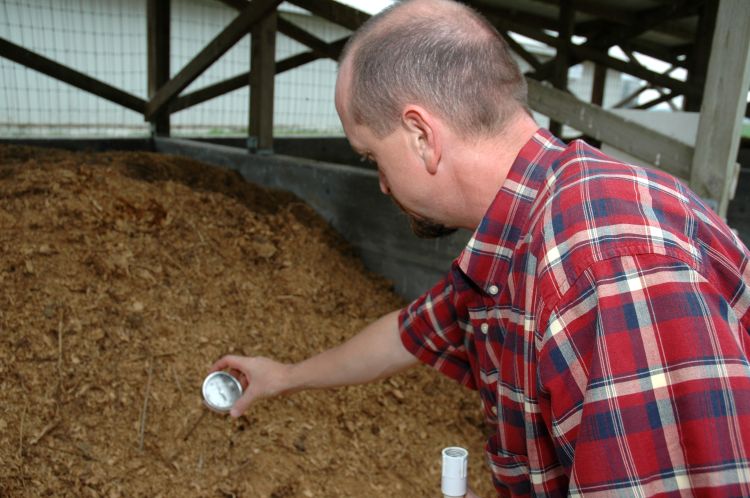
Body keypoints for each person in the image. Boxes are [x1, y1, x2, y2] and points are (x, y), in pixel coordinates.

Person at [211, 0, 750, 495]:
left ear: (421, 136)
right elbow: (406, 335)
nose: (380, 183)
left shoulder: (602, 264)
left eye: (372, 157)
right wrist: (285, 375)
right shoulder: (516, 241)